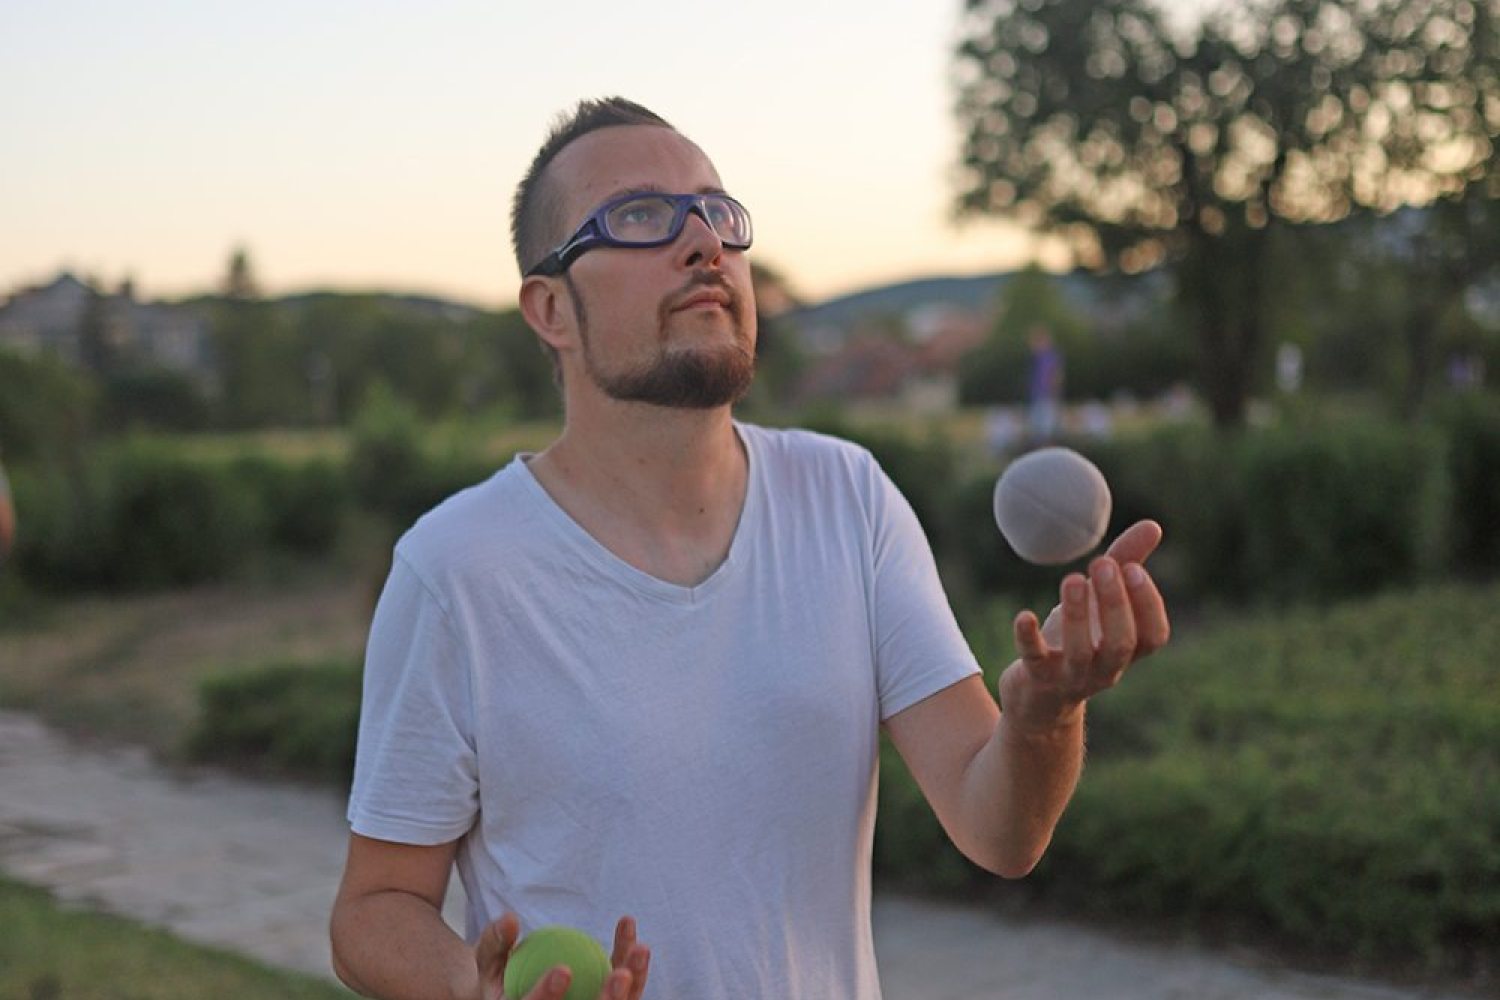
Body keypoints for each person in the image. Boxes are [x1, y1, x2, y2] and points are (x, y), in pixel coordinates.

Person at [329, 97, 1171, 1000]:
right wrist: (471, 987)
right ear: (550, 310)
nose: (703, 244)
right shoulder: (458, 569)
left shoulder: (846, 500)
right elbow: (375, 904)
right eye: (640, 218)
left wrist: (1044, 721)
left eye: (716, 214)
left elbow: (998, 830)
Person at [1026, 324, 1064, 444]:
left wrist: (1053, 393)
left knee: (1046, 428)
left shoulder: (1051, 357)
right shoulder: (1036, 358)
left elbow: (1056, 376)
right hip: (1037, 396)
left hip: (1047, 396)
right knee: (1037, 428)